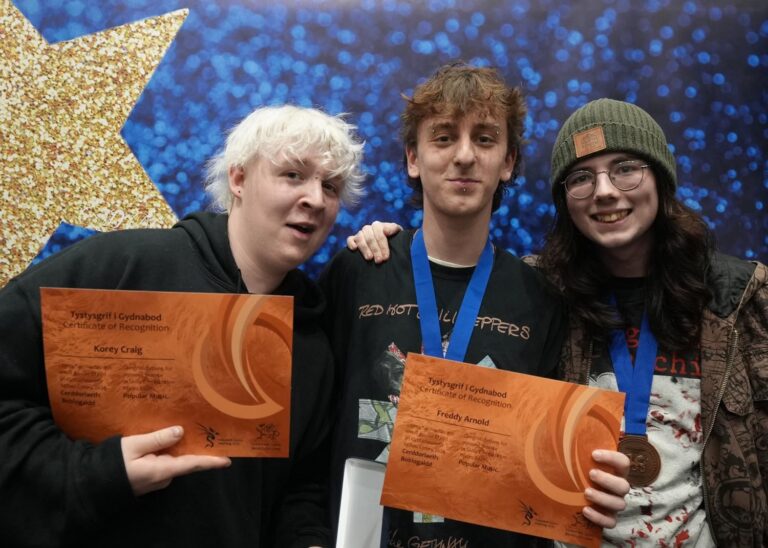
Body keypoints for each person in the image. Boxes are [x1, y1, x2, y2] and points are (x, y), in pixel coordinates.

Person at [349, 98, 768, 546]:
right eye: (582, 178)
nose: (605, 191)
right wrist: (384, 243)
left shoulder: (741, 298)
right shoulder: (541, 293)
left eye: (626, 168)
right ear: (566, 200)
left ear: (661, 178)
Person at [0, 104, 365, 547]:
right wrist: (98, 473)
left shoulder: (310, 341)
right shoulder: (124, 268)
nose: (315, 199)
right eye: (292, 174)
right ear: (239, 179)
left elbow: (298, 489)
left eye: (330, 185)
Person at [321, 63, 630, 547]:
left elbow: (547, 460)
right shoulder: (358, 271)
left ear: (508, 162)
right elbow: (313, 433)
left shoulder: (541, 296)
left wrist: (588, 488)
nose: (464, 156)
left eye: (484, 139)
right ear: (412, 159)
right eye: (444, 138)